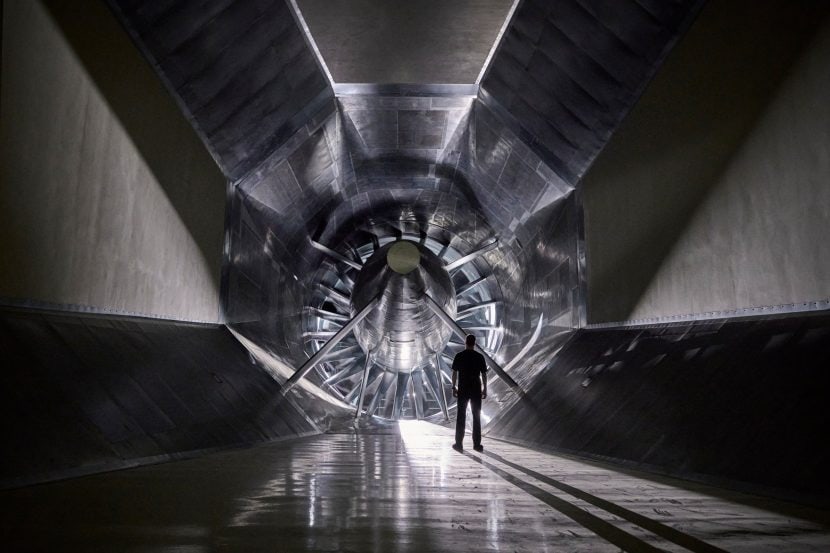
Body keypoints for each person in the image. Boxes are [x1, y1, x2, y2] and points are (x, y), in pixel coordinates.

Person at [451, 334, 488, 452]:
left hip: (463, 389)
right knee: (476, 416)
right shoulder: (480, 357)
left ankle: (459, 444)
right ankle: (477, 444)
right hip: (476, 389)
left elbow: (454, 373)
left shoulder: (459, 356)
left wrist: (453, 387)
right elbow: (484, 374)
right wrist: (485, 389)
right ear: (475, 343)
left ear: (465, 342)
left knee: (461, 416)